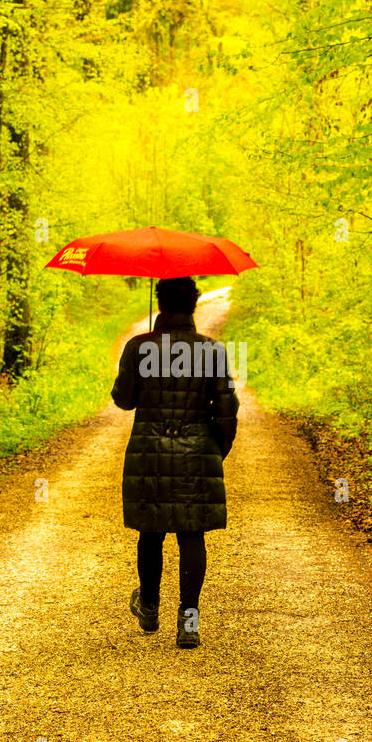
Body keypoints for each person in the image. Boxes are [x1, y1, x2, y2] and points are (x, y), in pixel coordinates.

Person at [110, 277, 239, 648]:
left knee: (151, 531)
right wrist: (215, 449)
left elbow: (124, 400)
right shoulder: (211, 351)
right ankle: (189, 621)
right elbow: (227, 408)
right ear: (194, 305)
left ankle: (149, 605)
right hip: (197, 448)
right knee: (191, 533)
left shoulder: (139, 347)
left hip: (148, 446)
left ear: (160, 302)